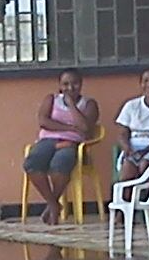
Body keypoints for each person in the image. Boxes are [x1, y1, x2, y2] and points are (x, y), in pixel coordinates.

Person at [21, 67, 99, 218]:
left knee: (61, 162)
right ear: (60, 85)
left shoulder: (89, 104)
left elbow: (85, 127)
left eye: (75, 83)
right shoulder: (51, 99)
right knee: (32, 162)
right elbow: (43, 121)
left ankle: (52, 204)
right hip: (48, 141)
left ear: (81, 84)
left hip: (72, 143)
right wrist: (71, 128)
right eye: (65, 84)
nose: (70, 88)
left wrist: (71, 105)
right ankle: (53, 204)